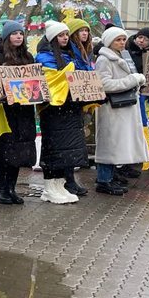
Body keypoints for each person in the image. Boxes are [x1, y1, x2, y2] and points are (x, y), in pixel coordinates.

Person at [0, 21, 37, 205]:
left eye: (21, 34)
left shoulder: (28, 57)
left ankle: (11, 188)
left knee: (18, 152)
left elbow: (35, 83)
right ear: (7, 36)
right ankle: (0, 189)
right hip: (4, 111)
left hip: (23, 111)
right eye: (14, 34)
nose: (18, 36)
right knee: (2, 151)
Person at [34, 21, 84, 205]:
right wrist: (71, 70)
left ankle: (60, 184)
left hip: (70, 109)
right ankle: (49, 187)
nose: (65, 38)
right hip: (53, 110)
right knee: (54, 149)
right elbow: (52, 79)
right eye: (61, 35)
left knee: (67, 150)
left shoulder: (71, 55)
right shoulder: (44, 57)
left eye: (66, 35)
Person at [94, 27, 149, 195]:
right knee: (109, 145)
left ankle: (110, 177)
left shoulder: (121, 56)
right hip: (112, 108)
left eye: (123, 39)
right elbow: (105, 84)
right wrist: (133, 79)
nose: (122, 42)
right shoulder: (104, 60)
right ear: (109, 41)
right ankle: (104, 180)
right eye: (118, 39)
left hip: (123, 108)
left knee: (117, 145)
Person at [60, 17, 93, 195]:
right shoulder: (72, 52)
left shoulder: (85, 52)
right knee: (69, 143)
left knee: (74, 142)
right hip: (69, 101)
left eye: (87, 31)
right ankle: (68, 179)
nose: (85, 34)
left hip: (78, 101)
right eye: (81, 31)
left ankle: (70, 179)